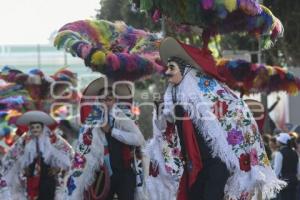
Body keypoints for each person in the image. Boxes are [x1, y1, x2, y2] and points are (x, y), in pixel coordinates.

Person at [145, 37, 285, 200]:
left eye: (171, 67)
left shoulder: (205, 90)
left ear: (184, 69)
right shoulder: (172, 96)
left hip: (215, 164)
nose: (167, 72)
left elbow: (233, 106)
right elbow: (166, 127)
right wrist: (160, 112)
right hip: (194, 166)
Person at [65, 77, 146, 200]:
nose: (105, 102)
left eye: (108, 99)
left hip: (125, 172)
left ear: (115, 100)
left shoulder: (124, 116)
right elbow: (83, 151)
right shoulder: (91, 122)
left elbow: (138, 139)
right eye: (101, 99)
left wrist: (112, 131)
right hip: (102, 173)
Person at [0, 111, 74, 200]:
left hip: (49, 179)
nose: (35, 130)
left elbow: (70, 157)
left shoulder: (53, 139)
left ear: (43, 127)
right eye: (32, 127)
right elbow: (11, 158)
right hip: (29, 179)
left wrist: (58, 168)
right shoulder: (25, 140)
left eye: (37, 127)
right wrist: (21, 167)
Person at [273, 133, 300, 200]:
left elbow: (277, 170)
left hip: (283, 182)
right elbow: (298, 169)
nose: (276, 141)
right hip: (294, 182)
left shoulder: (279, 153)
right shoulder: (294, 152)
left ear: (280, 142)